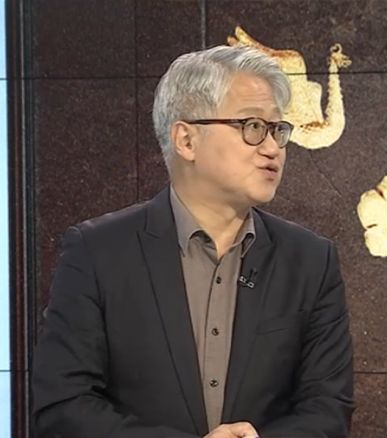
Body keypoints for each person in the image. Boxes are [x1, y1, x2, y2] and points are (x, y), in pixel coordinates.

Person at [32, 45, 354, 438]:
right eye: (253, 127)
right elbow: (63, 408)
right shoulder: (97, 253)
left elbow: (328, 410)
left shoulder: (310, 261)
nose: (273, 148)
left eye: (277, 130)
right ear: (186, 140)